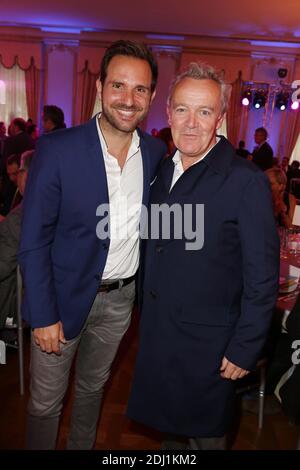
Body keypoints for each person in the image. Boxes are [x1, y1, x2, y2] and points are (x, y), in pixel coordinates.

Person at [19, 39, 166, 450]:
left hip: (120, 302)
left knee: (91, 394)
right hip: (61, 301)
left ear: (152, 97)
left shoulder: (156, 153)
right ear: (100, 86)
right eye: (118, 85)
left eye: (140, 89)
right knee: (46, 405)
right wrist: (44, 314)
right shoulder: (57, 149)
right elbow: (32, 241)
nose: (128, 98)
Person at [127, 62, 279, 450]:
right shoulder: (160, 171)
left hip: (210, 350)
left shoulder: (245, 182)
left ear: (220, 119)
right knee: (170, 441)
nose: (191, 123)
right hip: (161, 338)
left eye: (204, 111)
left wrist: (245, 347)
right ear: (168, 113)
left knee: (205, 440)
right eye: (182, 109)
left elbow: (262, 277)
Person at [0, 151, 34, 332]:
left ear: (26, 175)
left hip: (14, 304)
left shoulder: (20, 216)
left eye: (18, 172)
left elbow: (2, 266)